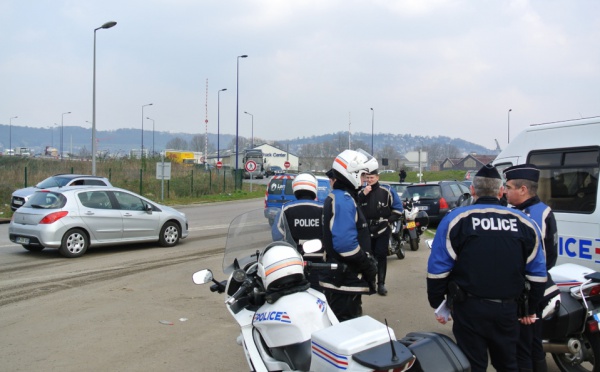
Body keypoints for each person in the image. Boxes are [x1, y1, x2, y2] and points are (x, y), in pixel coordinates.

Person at [427, 164, 547, 372]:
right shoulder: (525, 223)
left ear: (472, 191)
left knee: (472, 364)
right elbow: (537, 273)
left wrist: (439, 303)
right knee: (509, 363)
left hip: (469, 309)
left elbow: (437, 269)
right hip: (508, 310)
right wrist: (531, 308)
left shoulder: (456, 220)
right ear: (501, 191)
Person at [504, 164, 559, 372]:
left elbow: (548, 257)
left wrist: (527, 296)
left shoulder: (540, 213)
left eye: (508, 187)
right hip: (526, 291)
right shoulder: (512, 212)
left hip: (529, 293)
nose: (505, 190)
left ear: (523, 189)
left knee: (524, 347)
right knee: (532, 344)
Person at [319, 149, 379, 321]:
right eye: (362, 176)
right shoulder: (343, 200)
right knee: (346, 328)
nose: (365, 180)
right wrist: (366, 264)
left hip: (342, 277)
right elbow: (345, 245)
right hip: (343, 280)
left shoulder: (341, 197)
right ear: (351, 173)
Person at [272, 172, 325, 290]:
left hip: (294, 261)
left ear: (295, 188)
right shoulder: (322, 208)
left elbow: (277, 235)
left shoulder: (286, 208)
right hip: (319, 262)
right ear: (314, 188)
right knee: (319, 294)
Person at [358, 169, 403, 295]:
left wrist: (388, 221)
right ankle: (369, 282)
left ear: (377, 177)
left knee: (381, 255)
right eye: (367, 178)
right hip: (366, 229)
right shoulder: (361, 191)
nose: (369, 180)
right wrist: (363, 195)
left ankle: (381, 284)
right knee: (367, 256)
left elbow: (398, 209)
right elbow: (354, 206)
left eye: (372, 177)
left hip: (382, 228)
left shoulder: (387, 190)